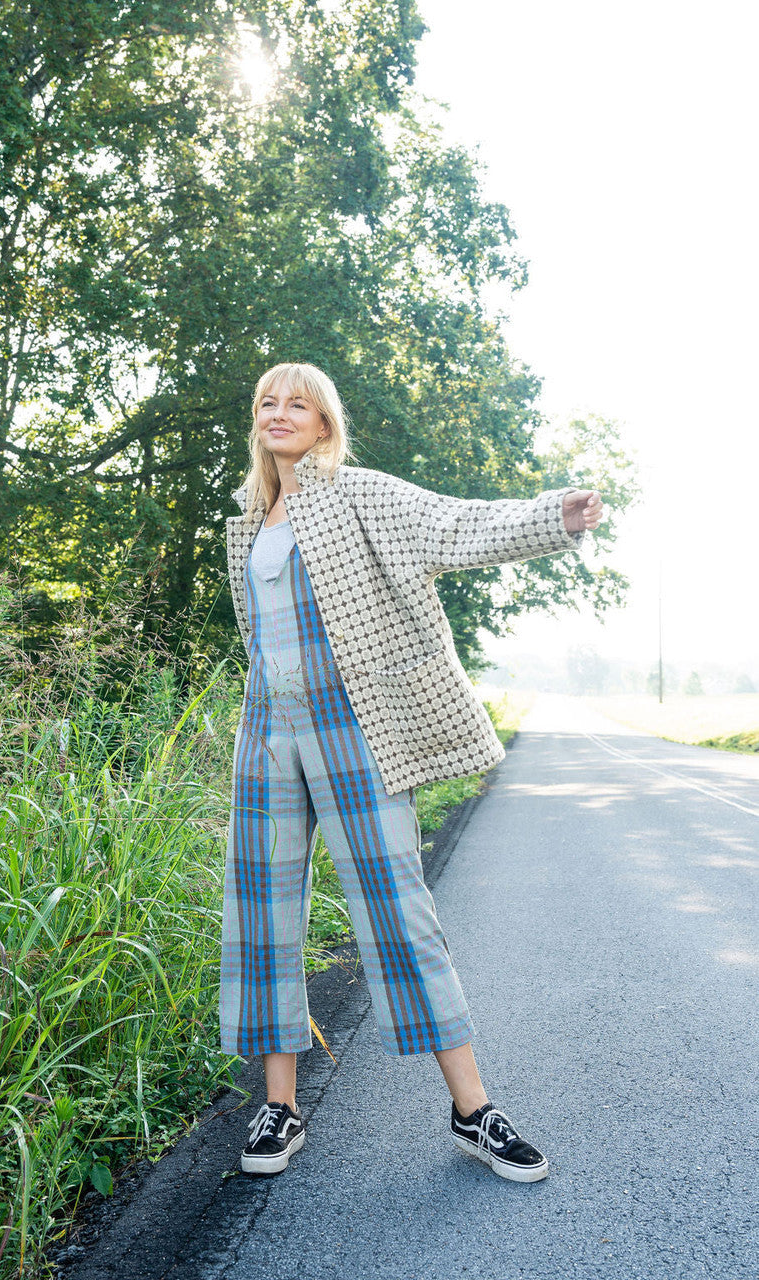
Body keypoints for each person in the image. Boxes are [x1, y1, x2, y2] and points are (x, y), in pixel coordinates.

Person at [219, 362, 603, 1182]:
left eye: (298, 404)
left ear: (324, 424)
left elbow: (454, 526)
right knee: (262, 913)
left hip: (354, 727)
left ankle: (473, 1111)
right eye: (266, 403)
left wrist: (552, 517)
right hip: (266, 729)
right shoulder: (248, 520)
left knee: (398, 909)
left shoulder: (357, 495)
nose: (279, 413)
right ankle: (278, 1108)